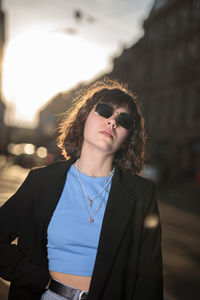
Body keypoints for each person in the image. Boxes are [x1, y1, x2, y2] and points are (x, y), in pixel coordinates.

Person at [0, 78, 163, 300]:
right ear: (84, 116)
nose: (112, 122)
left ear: (127, 139)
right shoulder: (41, 182)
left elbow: (149, 282)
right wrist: (38, 279)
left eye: (124, 120)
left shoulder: (142, 195)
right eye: (105, 111)